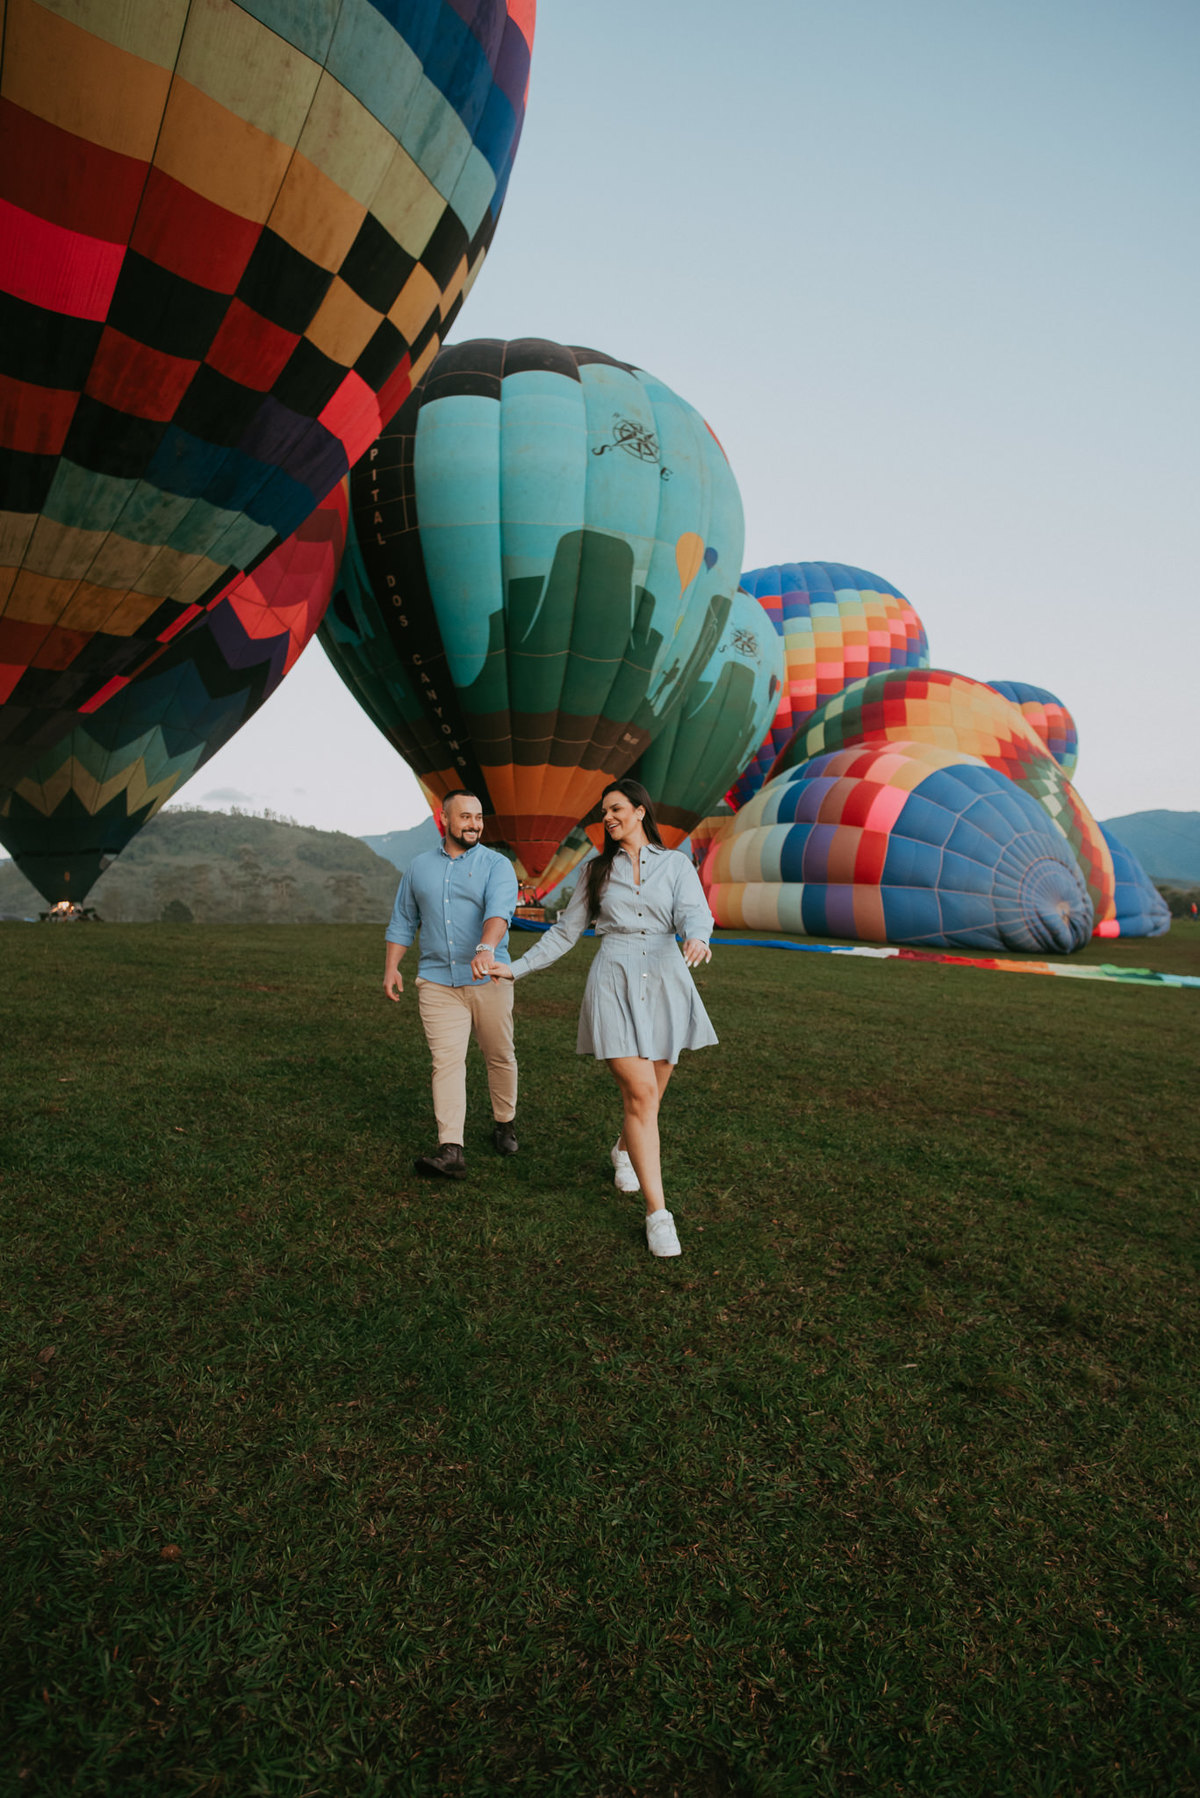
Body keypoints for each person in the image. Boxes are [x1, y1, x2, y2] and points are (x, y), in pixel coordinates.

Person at [487, 778, 716, 1257]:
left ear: (639, 811)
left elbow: (695, 912)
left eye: (616, 809)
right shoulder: (594, 870)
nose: (607, 818)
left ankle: (624, 1149)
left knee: (651, 1097)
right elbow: (564, 932)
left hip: (667, 978)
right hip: (613, 978)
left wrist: (697, 936)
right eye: (604, 812)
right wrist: (517, 967)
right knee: (641, 1093)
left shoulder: (676, 864)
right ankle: (658, 1215)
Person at [384, 790, 519, 1179]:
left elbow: (499, 913)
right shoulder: (418, 867)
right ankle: (451, 1149)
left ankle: (504, 1122)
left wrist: (485, 949)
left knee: (499, 1054)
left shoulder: (497, 865)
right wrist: (392, 967)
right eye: (465, 817)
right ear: (444, 819)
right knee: (446, 1062)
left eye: (479, 817)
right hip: (437, 980)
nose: (474, 824)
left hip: (489, 977)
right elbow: (403, 919)